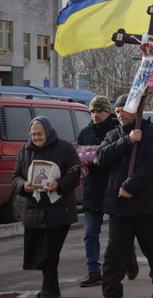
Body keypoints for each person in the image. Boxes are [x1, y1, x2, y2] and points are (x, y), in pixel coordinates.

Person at [97, 94, 153, 298]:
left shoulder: (151, 133)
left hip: (145, 205)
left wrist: (131, 185)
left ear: (136, 110)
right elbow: (101, 158)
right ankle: (111, 292)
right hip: (118, 207)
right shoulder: (114, 135)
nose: (119, 114)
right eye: (117, 110)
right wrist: (127, 141)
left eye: (124, 110)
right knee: (114, 254)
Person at [12, 116, 81, 298]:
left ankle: (48, 292)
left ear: (48, 132)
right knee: (41, 252)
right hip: (34, 210)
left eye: (40, 134)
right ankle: (52, 290)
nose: (36, 137)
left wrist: (59, 184)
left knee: (50, 252)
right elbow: (16, 176)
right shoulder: (24, 151)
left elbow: (75, 173)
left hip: (59, 211)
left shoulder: (65, 148)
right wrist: (23, 186)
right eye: (33, 134)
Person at [77, 96, 139, 288]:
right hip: (92, 189)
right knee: (90, 233)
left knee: (119, 233)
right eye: (93, 112)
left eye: (100, 111)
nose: (95, 115)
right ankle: (93, 270)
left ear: (108, 112)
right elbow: (79, 155)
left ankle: (130, 258)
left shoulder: (117, 131)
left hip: (112, 187)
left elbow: (120, 156)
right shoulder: (85, 133)